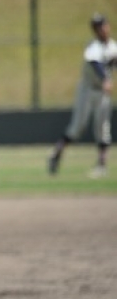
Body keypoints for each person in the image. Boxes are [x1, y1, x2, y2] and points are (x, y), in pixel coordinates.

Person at [48, 13, 117, 178]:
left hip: (102, 92)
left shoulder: (113, 47)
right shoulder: (92, 46)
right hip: (87, 90)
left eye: (102, 25)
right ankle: (56, 154)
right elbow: (95, 64)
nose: (101, 29)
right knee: (77, 127)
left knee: (103, 129)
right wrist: (106, 79)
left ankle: (102, 165)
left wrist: (106, 81)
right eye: (97, 27)